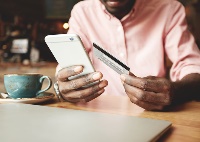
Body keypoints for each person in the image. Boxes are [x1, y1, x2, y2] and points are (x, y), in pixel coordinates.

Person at [55, 0, 200, 111]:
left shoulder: (169, 9)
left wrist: (177, 91)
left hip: (152, 114)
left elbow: (191, 65)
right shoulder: (83, 12)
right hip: (98, 112)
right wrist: (64, 88)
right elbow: (68, 69)